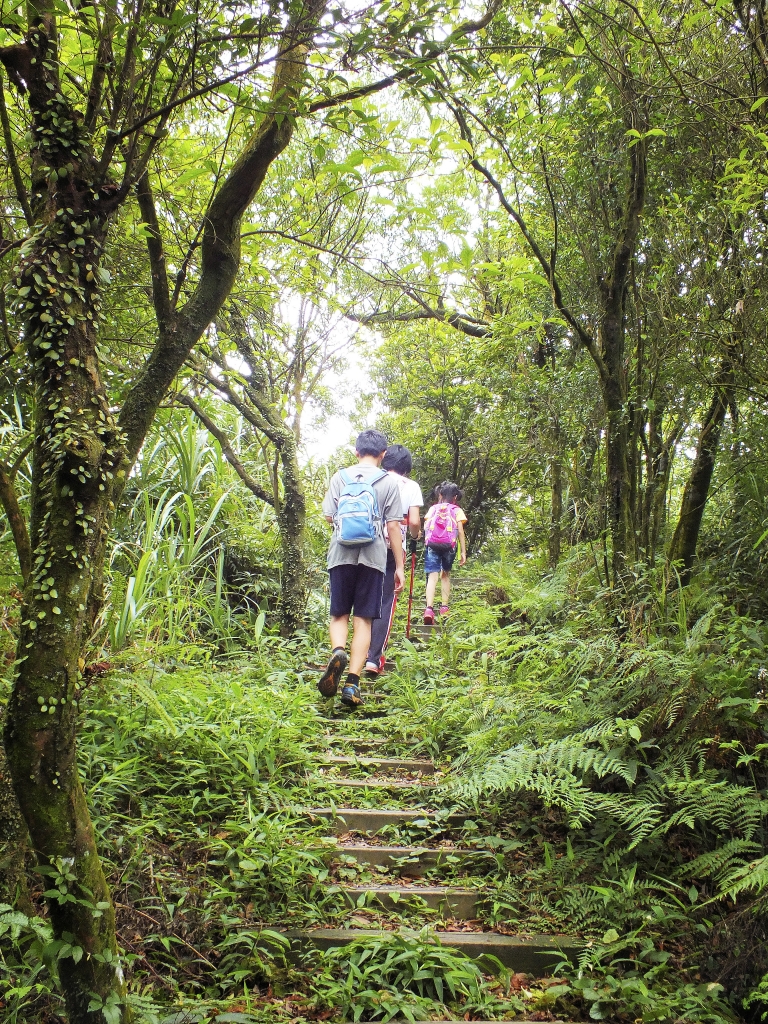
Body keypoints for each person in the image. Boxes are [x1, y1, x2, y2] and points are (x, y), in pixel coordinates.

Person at [318, 429, 405, 707]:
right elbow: (393, 526)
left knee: (339, 614)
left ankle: (338, 651)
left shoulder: (339, 478)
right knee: (364, 620)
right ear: (383, 454)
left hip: (340, 554)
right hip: (373, 558)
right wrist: (399, 566)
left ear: (356, 452)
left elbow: (330, 517)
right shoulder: (389, 481)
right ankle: (352, 684)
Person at [364, 444, 422, 676]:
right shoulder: (410, 486)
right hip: (392, 549)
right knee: (386, 601)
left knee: (365, 598)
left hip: (365, 544)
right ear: (406, 467)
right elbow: (415, 522)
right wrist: (415, 536)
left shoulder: (372, 478)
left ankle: (354, 652)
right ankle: (373, 658)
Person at [423, 481, 467, 624]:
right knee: (445, 575)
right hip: (449, 546)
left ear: (440, 494)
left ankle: (429, 609)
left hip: (432, 545)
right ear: (455, 497)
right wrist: (463, 552)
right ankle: (444, 608)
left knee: (432, 576)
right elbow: (460, 531)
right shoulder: (456, 510)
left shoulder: (433, 509)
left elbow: (426, 526)